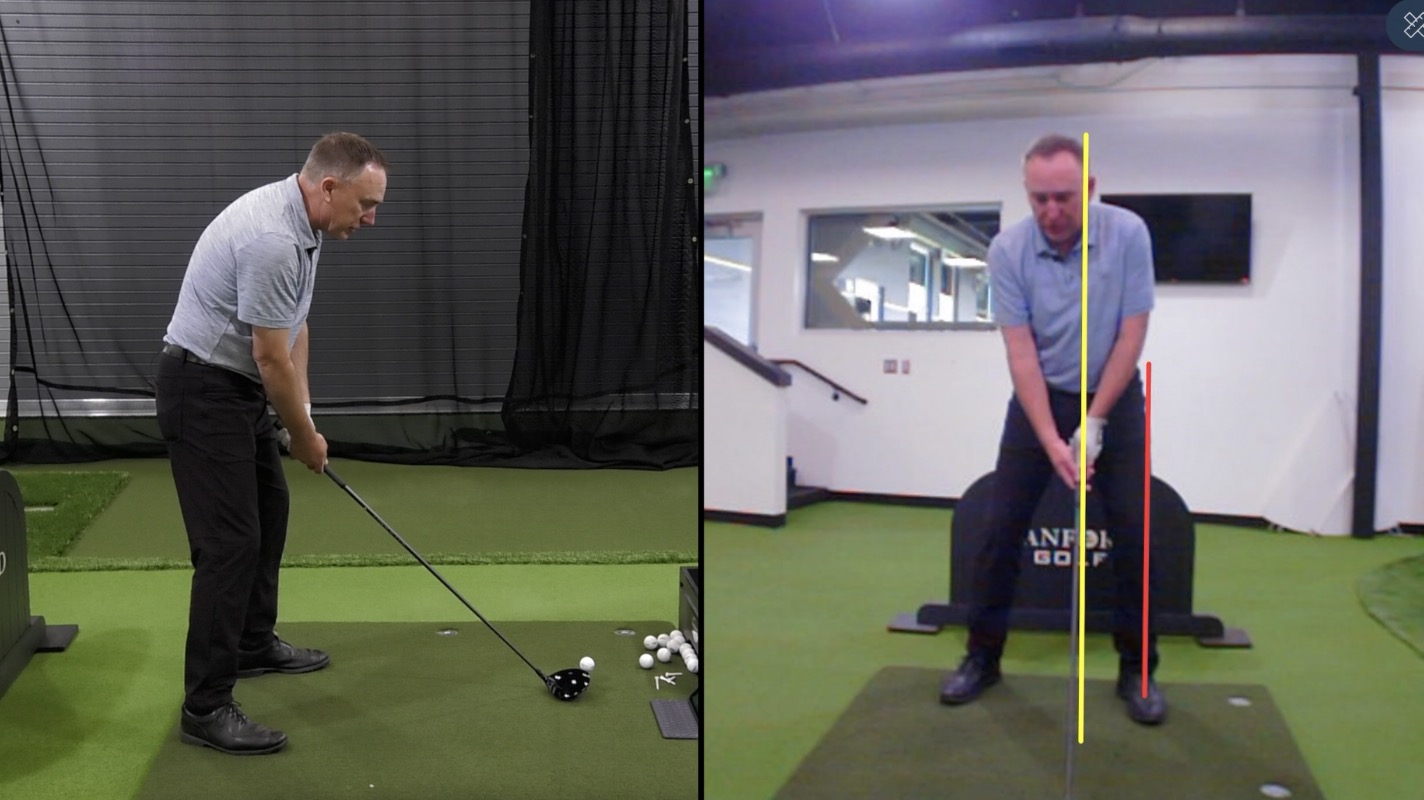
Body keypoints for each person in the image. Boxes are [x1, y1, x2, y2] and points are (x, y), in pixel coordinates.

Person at [156, 132, 389, 754]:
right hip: (203, 391)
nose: (369, 219)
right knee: (229, 544)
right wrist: (307, 437)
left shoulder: (306, 225)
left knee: (270, 511)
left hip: (234, 389)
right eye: (365, 205)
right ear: (329, 187)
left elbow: (293, 328)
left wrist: (299, 418)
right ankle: (205, 707)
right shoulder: (274, 239)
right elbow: (269, 359)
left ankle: (253, 643)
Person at [938, 133, 1165, 725]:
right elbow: (1021, 355)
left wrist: (1095, 422)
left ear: (1088, 189)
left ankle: (1137, 669)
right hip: (1038, 399)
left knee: (1136, 536)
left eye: (1063, 197)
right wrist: (1049, 439)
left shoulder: (1129, 234)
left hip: (1114, 396)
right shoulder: (1007, 250)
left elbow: (1131, 336)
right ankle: (981, 658)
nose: (1051, 212)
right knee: (999, 530)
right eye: (1038, 199)